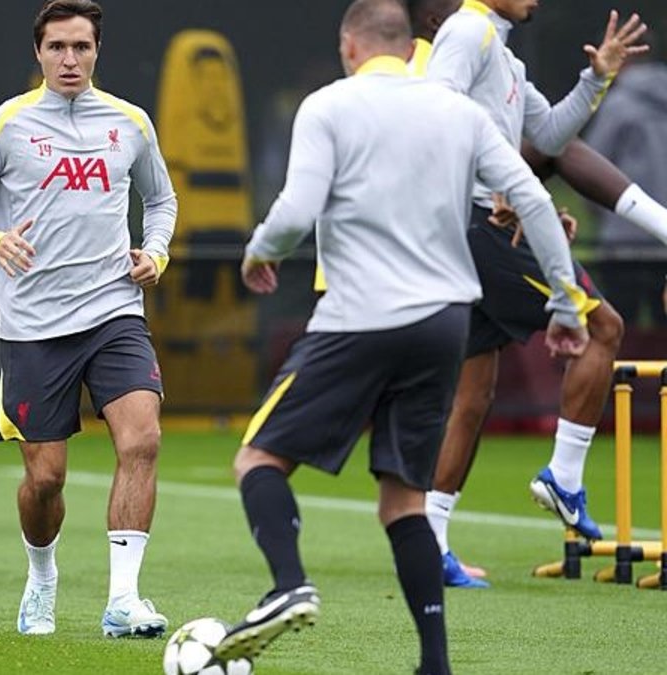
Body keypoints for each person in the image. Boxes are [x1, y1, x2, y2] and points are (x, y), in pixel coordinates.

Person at [214, 2, 588, 671]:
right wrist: (565, 303)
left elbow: (296, 210)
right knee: (403, 501)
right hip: (442, 325)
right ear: (408, 45)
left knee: (258, 460)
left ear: (349, 46)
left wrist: (260, 252)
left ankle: (288, 583)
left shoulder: (328, 105)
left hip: (359, 315)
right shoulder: (458, 112)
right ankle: (434, 663)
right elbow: (532, 199)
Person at [0, 0, 176, 638]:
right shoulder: (5, 124)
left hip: (114, 310)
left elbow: (161, 199)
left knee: (142, 440)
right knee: (45, 480)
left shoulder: (130, 122)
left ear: (97, 51)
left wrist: (155, 252)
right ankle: (42, 578)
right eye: (57, 48)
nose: (70, 59)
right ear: (38, 53)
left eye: (81, 47)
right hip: (33, 325)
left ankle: (123, 600)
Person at [420, 0, 647, 580]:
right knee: (604, 327)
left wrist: (596, 79)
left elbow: (547, 135)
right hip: (481, 225)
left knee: (474, 393)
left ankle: (430, 540)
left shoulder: (503, 55)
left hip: (476, 225)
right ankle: (564, 477)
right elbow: (434, 114)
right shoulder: (468, 31)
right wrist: (493, 183)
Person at [583, 36, 667, 325]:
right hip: (665, 237)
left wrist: (600, 212)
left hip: (623, 238)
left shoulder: (618, 105)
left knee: (620, 327)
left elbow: (591, 164)